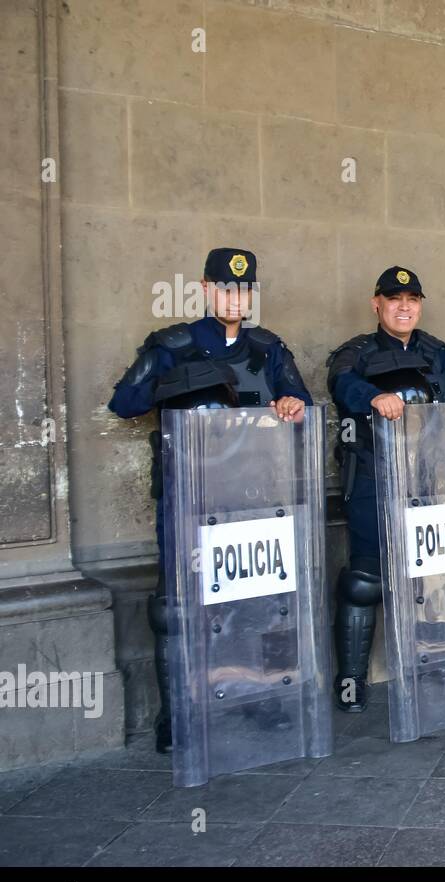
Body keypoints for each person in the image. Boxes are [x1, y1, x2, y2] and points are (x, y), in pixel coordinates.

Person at [108, 247, 312, 753]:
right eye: (225, 288)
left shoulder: (268, 348)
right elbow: (124, 403)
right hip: (189, 496)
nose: (234, 298)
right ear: (205, 289)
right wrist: (172, 382)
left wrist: (292, 404)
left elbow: (300, 401)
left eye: (244, 290)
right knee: (177, 606)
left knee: (261, 601)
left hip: (255, 494)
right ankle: (176, 713)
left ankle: (261, 697)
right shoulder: (172, 344)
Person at [326, 266, 445, 712]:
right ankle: (351, 680)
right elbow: (341, 382)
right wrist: (372, 397)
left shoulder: (436, 350)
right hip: (375, 474)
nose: (405, 306)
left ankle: (438, 661)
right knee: (365, 579)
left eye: (412, 298)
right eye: (395, 299)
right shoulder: (356, 351)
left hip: (432, 479)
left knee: (436, 573)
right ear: (377, 304)